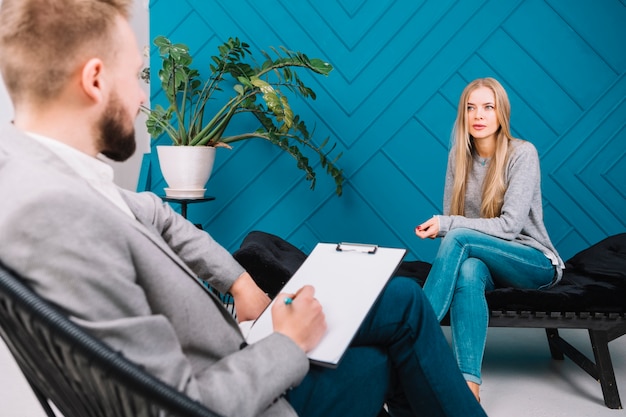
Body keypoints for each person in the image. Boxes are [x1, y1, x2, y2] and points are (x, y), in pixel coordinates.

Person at [0, 1, 487, 416]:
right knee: (395, 337)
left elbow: (158, 214)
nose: (143, 97)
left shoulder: (45, 177)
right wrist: (286, 343)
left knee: (401, 305)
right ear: (95, 80)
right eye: (138, 76)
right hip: (245, 391)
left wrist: (240, 283)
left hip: (236, 355)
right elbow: (173, 405)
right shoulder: (58, 217)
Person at [415, 77, 565, 402]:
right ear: (463, 115)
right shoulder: (458, 156)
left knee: (457, 236)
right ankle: (468, 391)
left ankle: (411, 335)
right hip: (484, 261)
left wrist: (445, 225)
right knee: (468, 271)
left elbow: (510, 227)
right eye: (471, 108)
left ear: (501, 114)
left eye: (487, 107)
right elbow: (457, 223)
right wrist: (449, 226)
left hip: (532, 260)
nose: (478, 115)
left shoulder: (522, 153)